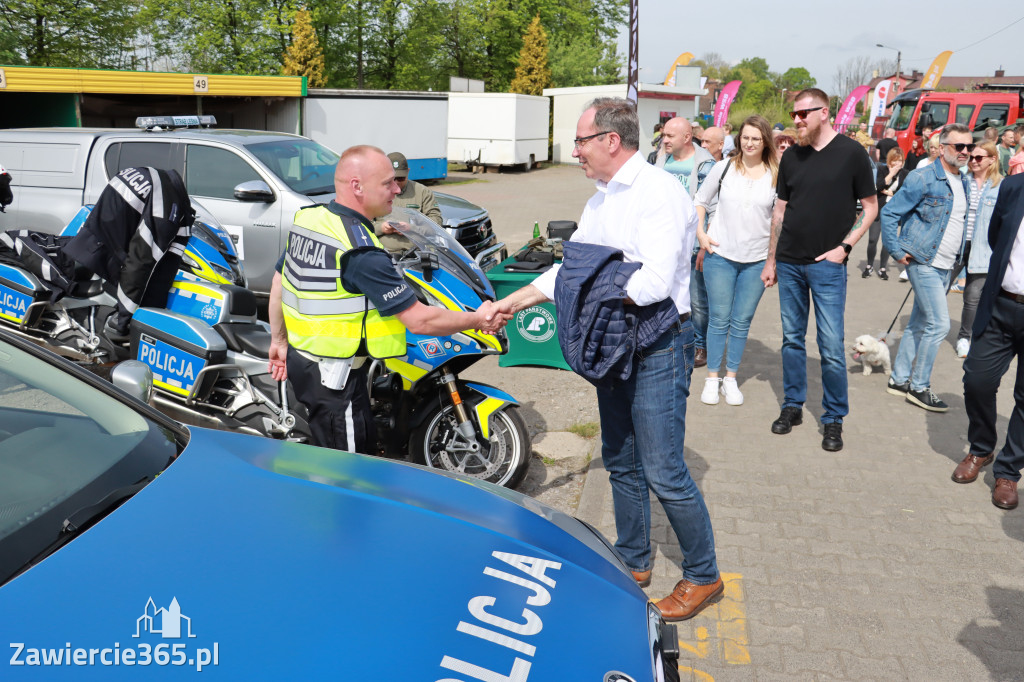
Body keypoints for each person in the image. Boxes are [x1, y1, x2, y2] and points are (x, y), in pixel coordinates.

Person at [490, 98, 724, 621]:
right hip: (618, 339)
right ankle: (634, 559)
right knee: (619, 458)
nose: (575, 151)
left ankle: (704, 575)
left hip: (661, 342)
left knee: (663, 469)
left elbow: (652, 285)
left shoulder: (658, 193)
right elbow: (569, 275)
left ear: (610, 141)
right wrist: (510, 302)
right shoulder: (599, 201)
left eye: (580, 141)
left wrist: (595, 284)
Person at [267, 145, 506, 453]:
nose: (397, 189)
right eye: (388, 183)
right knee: (350, 472)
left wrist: (280, 341)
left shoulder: (312, 220)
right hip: (336, 380)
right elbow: (419, 320)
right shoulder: (361, 250)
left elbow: (278, 280)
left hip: (307, 361)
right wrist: (478, 318)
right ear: (357, 186)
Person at [760, 88, 878, 451]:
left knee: (829, 345)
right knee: (792, 340)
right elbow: (780, 210)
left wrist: (845, 248)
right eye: (794, 114)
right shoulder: (792, 156)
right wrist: (771, 258)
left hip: (828, 266)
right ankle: (793, 406)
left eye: (803, 114)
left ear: (824, 112)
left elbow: (871, 207)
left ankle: (832, 418)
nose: (797, 120)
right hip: (791, 263)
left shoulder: (852, 154)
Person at [880, 123, 973, 413]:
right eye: (960, 147)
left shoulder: (965, 180)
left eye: (969, 146)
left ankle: (898, 380)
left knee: (920, 323)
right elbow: (889, 212)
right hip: (924, 262)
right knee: (940, 325)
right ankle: (919, 387)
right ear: (943, 148)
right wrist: (896, 251)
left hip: (948, 265)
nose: (966, 152)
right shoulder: (922, 178)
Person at [694, 115, 778, 407]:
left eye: (756, 138)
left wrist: (773, 259)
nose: (750, 143)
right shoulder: (724, 167)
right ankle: (712, 378)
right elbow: (700, 201)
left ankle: (730, 379)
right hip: (721, 256)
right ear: (739, 139)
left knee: (741, 322)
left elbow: (779, 220)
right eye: (746, 137)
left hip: (756, 261)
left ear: (765, 140)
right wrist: (702, 236)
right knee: (718, 320)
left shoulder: (776, 173)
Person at [956, 173, 1024, 510]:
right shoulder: (1014, 186)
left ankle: (1009, 471)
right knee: (977, 380)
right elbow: (997, 236)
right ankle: (982, 447)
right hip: (1002, 304)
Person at [657, 117, 716, 368]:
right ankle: (672, 339)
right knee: (666, 293)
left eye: (670, 136)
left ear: (686, 137)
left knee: (697, 299)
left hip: (693, 244)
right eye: (664, 135)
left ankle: (701, 346)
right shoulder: (660, 160)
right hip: (664, 242)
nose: (665, 140)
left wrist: (704, 244)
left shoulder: (706, 165)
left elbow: (714, 208)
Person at [952, 141, 1003, 358]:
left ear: (992, 159)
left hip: (983, 249)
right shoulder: (962, 180)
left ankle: (965, 337)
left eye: (979, 158)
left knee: (972, 298)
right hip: (956, 245)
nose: (973, 161)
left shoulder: (1001, 186)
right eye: (972, 157)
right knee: (936, 290)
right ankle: (925, 330)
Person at [863, 147, 909, 280]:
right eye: (894, 160)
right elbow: (877, 186)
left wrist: (890, 192)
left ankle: (883, 267)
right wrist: (890, 175)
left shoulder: (905, 174)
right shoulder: (881, 170)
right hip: (878, 209)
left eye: (899, 160)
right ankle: (869, 265)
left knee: (887, 241)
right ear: (889, 160)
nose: (897, 163)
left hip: (893, 212)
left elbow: (905, 192)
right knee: (872, 239)